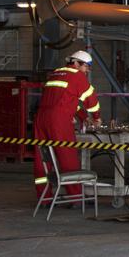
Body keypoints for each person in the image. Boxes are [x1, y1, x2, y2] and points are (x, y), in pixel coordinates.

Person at [32, 50, 102, 203]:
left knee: (43, 158)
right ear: (76, 63)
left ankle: (44, 198)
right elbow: (91, 101)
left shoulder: (56, 74)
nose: (87, 70)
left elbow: (66, 101)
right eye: (86, 66)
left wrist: (83, 117)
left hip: (41, 118)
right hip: (58, 121)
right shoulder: (77, 76)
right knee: (67, 156)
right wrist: (96, 118)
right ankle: (75, 197)